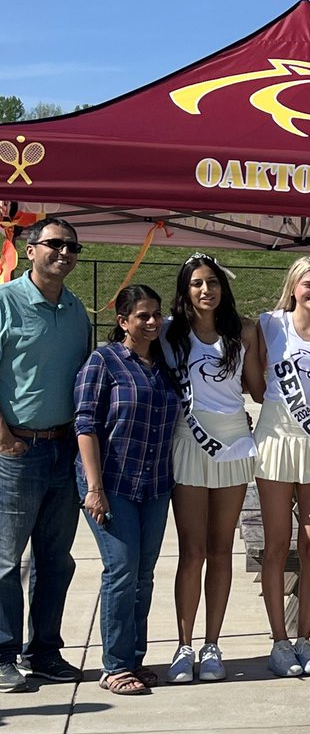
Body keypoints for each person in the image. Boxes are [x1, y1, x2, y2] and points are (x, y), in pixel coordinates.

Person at [162, 253, 263, 684]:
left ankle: (212, 645)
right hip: (189, 441)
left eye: (214, 282)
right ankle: (183, 646)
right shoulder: (169, 332)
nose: (207, 290)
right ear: (185, 290)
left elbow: (258, 388)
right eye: (197, 283)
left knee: (221, 549)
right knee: (192, 551)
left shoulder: (243, 331)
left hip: (233, 442)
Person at [0, 217, 91, 692]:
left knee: (56, 560)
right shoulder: (5, 301)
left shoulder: (76, 310)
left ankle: (45, 653)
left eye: (72, 246)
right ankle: (2, 655)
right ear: (30, 249)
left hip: (63, 449)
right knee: (5, 560)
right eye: (54, 244)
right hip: (17, 450)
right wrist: (4, 438)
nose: (65, 253)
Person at [75, 285, 181, 694]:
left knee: (143, 575)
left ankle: (134, 659)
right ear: (123, 321)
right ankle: (115, 666)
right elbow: (85, 424)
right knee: (121, 570)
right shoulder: (103, 362)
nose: (152, 322)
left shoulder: (165, 364)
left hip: (154, 485)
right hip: (112, 484)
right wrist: (94, 488)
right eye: (142, 316)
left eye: (156, 314)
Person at [253, 255, 310, 678]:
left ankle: (305, 638)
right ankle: (279, 641)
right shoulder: (269, 324)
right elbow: (253, 380)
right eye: (309, 284)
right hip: (276, 438)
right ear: (294, 286)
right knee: (276, 544)